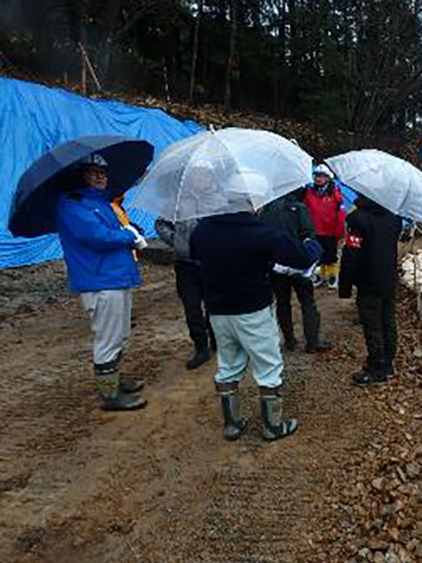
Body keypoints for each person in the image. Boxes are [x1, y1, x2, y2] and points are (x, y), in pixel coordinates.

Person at [191, 204, 322, 442]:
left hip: (218, 311)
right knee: (268, 365)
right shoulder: (257, 232)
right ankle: (272, 426)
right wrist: (313, 243)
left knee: (228, 364)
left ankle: (232, 424)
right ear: (250, 205)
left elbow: (196, 255)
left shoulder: (202, 229)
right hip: (252, 310)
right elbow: (302, 257)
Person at [55, 153, 148, 411]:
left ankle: (114, 379)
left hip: (116, 275)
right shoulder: (72, 204)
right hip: (99, 280)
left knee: (120, 333)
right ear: (81, 175)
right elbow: (96, 236)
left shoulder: (101, 201)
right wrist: (127, 236)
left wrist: (131, 230)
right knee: (107, 337)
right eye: (93, 171)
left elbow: (112, 229)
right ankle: (110, 395)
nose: (100, 176)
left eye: (103, 173)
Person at [339, 195, 402, 385]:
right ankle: (388, 363)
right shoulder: (394, 217)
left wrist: (345, 285)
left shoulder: (358, 219)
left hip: (368, 280)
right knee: (388, 321)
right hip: (389, 278)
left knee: (372, 324)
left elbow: (351, 253)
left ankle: (376, 368)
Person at [258, 190, 332, 353]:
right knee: (307, 302)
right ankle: (312, 342)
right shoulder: (299, 208)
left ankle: (289, 340)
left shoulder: (265, 211)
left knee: (282, 302)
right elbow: (308, 234)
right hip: (300, 263)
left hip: (276, 264)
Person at [155, 218, 215, 369]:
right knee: (191, 306)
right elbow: (160, 224)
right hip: (185, 265)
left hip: (210, 260)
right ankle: (201, 347)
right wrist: (177, 241)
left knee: (214, 304)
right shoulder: (176, 201)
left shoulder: (211, 199)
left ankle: (217, 339)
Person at [303, 164, 346, 289]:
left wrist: (340, 233)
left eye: (321, 176)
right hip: (314, 230)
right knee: (317, 256)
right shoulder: (309, 193)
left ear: (328, 178)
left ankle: (333, 277)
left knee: (331, 256)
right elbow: (305, 211)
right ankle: (320, 277)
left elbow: (341, 214)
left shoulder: (336, 194)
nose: (318, 179)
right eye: (316, 176)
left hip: (330, 231)